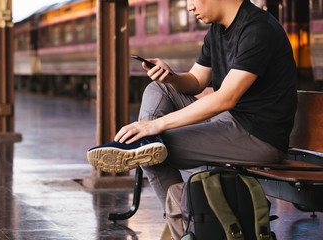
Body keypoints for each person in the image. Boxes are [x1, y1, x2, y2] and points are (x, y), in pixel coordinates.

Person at [87, 0, 297, 209]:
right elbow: (196, 81)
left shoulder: (257, 29)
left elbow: (226, 98)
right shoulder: (218, 29)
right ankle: (188, 217)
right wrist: (171, 78)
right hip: (231, 120)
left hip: (259, 138)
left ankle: (186, 225)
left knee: (153, 156)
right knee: (158, 89)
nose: (189, 7)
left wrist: (155, 125)